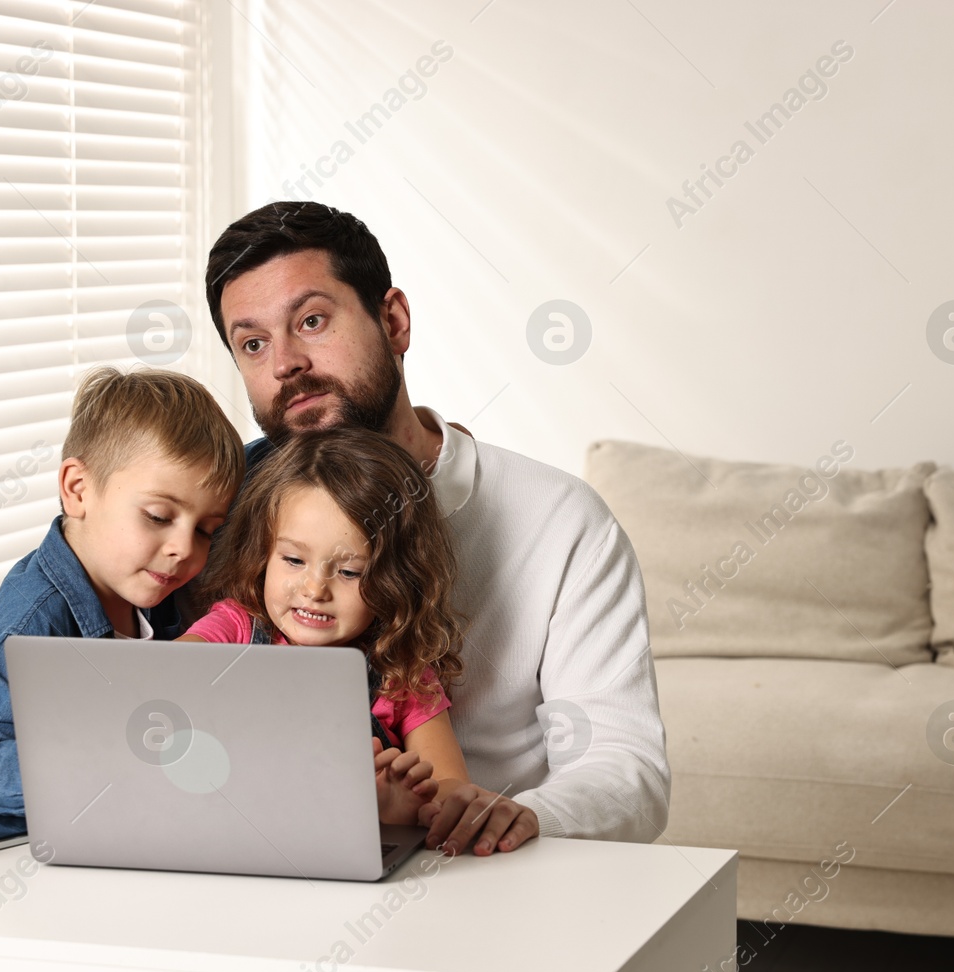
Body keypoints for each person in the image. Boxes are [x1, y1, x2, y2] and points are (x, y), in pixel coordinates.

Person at [205, 201, 671, 859]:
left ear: (393, 320)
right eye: (253, 343)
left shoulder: (561, 519)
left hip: (485, 873)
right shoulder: (224, 507)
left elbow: (630, 773)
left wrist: (500, 816)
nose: (285, 363)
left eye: (312, 321)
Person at [0, 366, 244, 818]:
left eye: (206, 531)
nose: (183, 549)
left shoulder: (150, 587)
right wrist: (114, 763)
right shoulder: (34, 618)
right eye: (159, 516)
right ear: (78, 490)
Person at [178, 426, 469, 826]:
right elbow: (168, 673)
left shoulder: (403, 674)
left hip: (346, 848)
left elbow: (452, 789)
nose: (314, 589)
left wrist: (408, 805)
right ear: (263, 553)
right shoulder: (235, 626)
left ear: (394, 580)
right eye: (294, 561)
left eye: (349, 572)